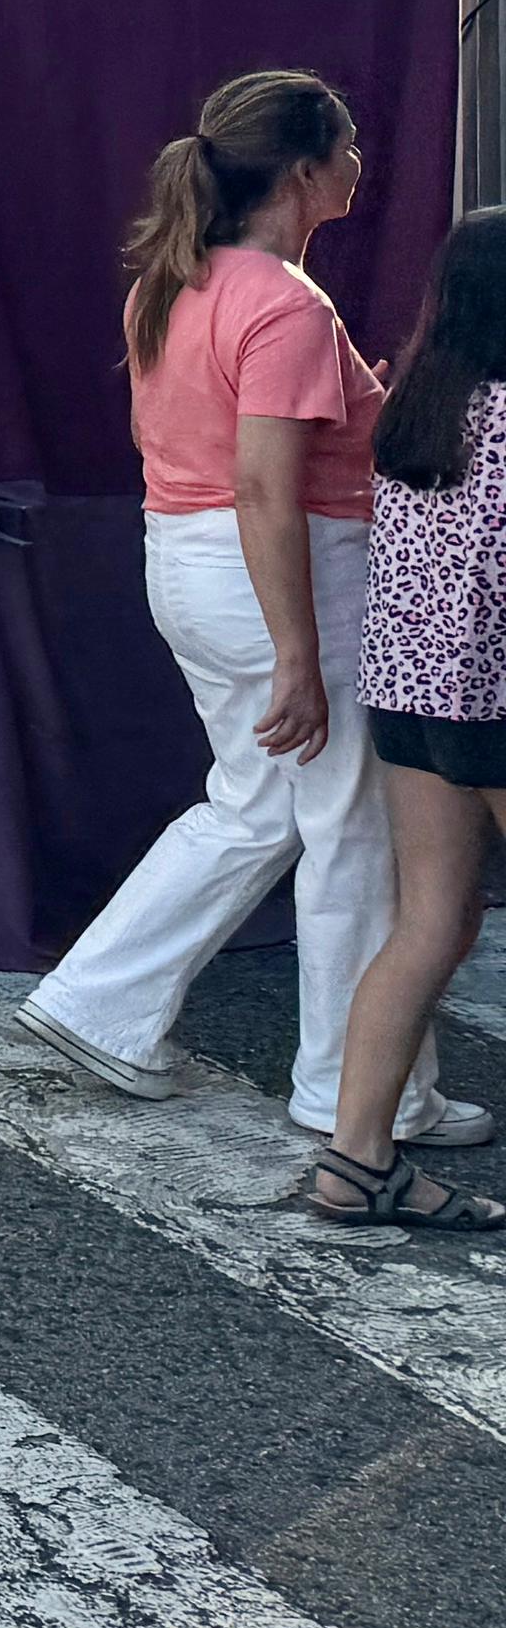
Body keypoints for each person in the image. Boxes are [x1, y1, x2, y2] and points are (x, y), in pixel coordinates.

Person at [22, 72, 484, 1155]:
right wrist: (296, 654)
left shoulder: (166, 283)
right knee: (349, 828)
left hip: (181, 559)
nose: (361, 164)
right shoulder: (282, 302)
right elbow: (266, 486)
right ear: (303, 173)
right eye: (349, 148)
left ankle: (98, 998)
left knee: (256, 805)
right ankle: (354, 1095)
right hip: (284, 571)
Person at [313, 213, 506, 1229]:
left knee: (429, 920)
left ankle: (354, 1159)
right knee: (438, 918)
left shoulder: (416, 412)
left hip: (408, 698)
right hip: (495, 697)